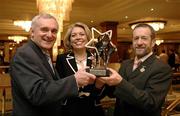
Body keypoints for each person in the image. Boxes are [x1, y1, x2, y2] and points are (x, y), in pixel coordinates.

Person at [9, 14, 96, 116]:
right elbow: (37, 93)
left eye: (54, 31)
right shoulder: (25, 54)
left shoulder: (42, 53)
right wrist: (75, 80)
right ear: (32, 32)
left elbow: (52, 84)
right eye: (44, 30)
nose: (50, 35)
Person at [99, 23, 172, 116]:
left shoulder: (162, 68)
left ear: (153, 42)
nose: (139, 42)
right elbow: (114, 93)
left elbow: (151, 103)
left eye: (144, 38)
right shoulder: (126, 64)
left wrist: (120, 82)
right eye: (136, 38)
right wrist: (102, 82)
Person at [55, 22, 105, 116]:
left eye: (82, 34)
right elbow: (58, 85)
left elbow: (105, 90)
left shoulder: (98, 58)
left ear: (88, 38)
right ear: (69, 40)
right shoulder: (61, 59)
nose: (78, 37)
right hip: (69, 109)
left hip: (93, 108)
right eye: (73, 35)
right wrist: (76, 83)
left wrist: (99, 85)